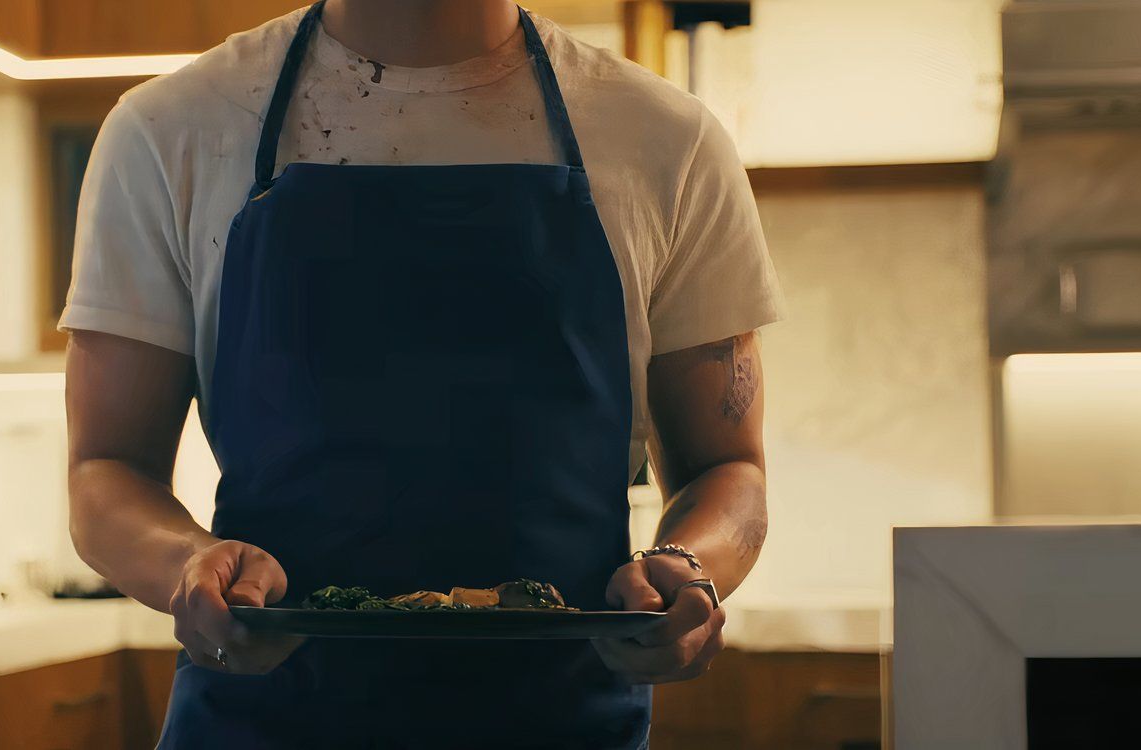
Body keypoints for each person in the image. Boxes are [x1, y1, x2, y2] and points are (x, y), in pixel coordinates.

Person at [61, 1, 780, 747]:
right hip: (264, 718)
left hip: (562, 722)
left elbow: (727, 468)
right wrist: (187, 566)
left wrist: (687, 568)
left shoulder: (669, 138)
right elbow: (105, 468)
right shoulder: (170, 127)